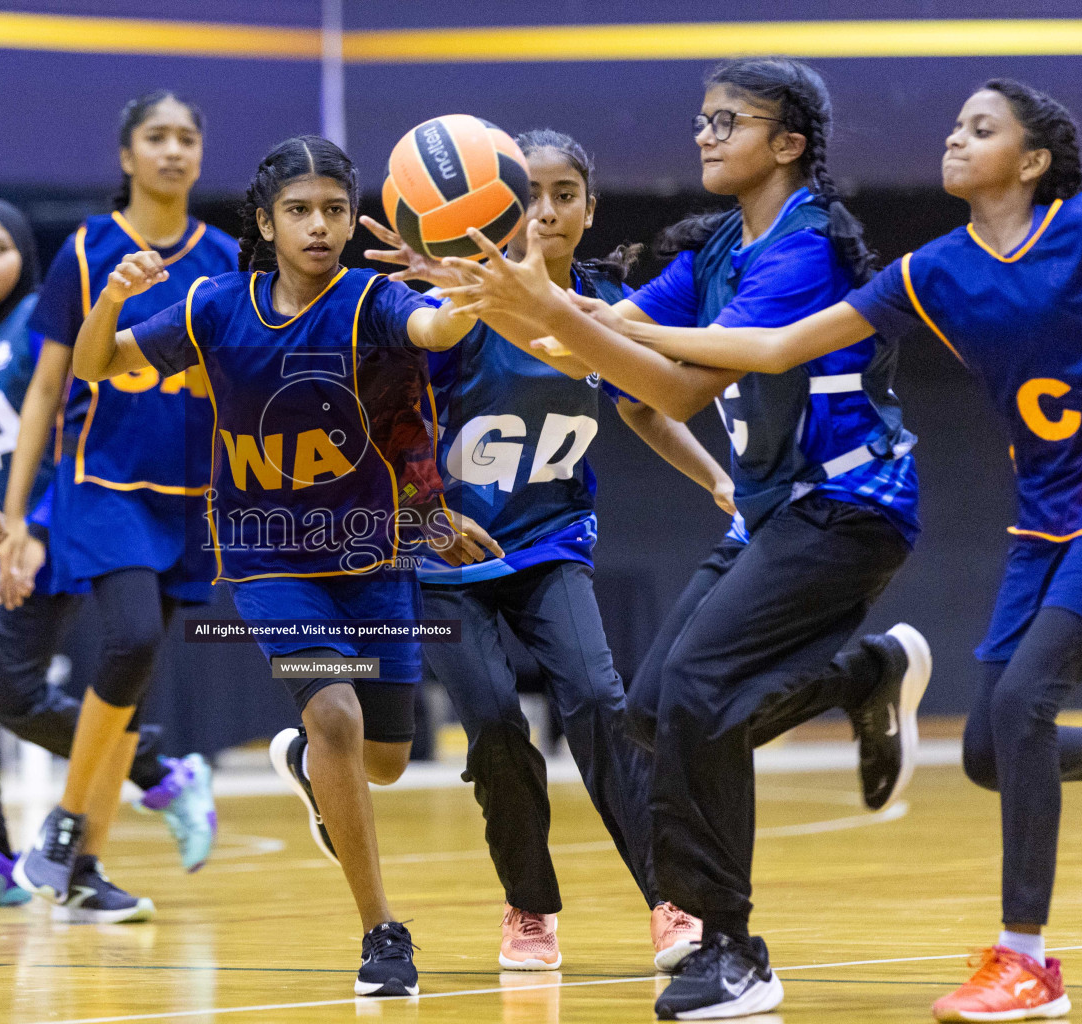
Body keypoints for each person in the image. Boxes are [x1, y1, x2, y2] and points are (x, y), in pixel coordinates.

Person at [442, 57, 932, 1020]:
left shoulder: (809, 245)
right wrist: (489, 293)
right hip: (776, 513)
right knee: (656, 713)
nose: (704, 135)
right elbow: (586, 337)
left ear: (787, 143)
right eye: (702, 120)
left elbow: (674, 388)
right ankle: (863, 679)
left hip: (849, 505)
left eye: (728, 121)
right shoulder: (713, 249)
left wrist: (554, 313)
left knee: (700, 693)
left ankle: (733, 949)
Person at [594, 78, 1082, 1024]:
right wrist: (542, 303)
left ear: (1031, 161)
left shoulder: (1075, 227)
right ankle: (866, 680)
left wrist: (600, 324)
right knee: (987, 750)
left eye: (980, 128)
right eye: (953, 120)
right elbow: (775, 353)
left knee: (1021, 705)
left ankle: (1023, 961)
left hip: (861, 502)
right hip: (1037, 521)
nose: (953, 136)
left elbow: (696, 374)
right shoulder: (931, 271)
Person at [73, 133, 491, 997]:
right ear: (266, 222)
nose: (319, 226)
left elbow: (431, 325)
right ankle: (382, 933)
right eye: (299, 210)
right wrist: (109, 301)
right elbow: (97, 365)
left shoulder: (371, 298)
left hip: (374, 555)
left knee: (382, 760)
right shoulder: (214, 307)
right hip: (267, 557)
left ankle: (307, 765)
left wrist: (463, 288)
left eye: (335, 210)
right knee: (334, 711)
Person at [363, 127, 729, 973]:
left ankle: (671, 898)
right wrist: (422, 516)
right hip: (447, 554)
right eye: (529, 193)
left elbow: (644, 405)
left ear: (590, 209)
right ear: (490, 204)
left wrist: (718, 479)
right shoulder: (452, 314)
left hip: (551, 541)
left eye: (566, 194)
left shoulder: (608, 305)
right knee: (491, 723)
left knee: (601, 702)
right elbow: (390, 425)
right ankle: (529, 906)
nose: (547, 211)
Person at [0, 199, 215, 910]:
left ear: (25, 255)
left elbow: (69, 420)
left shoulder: (37, 327)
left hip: (46, 521)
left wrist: (36, 527)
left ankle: (161, 775)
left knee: (13, 693)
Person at [4, 91, 235, 923]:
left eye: (187, 136)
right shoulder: (85, 249)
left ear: (200, 156)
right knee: (129, 636)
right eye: (155, 136)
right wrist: (16, 511)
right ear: (127, 156)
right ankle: (64, 829)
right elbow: (43, 389)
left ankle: (83, 867)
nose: (172, 150)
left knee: (131, 678)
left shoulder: (229, 257)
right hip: (99, 483)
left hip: (189, 494)